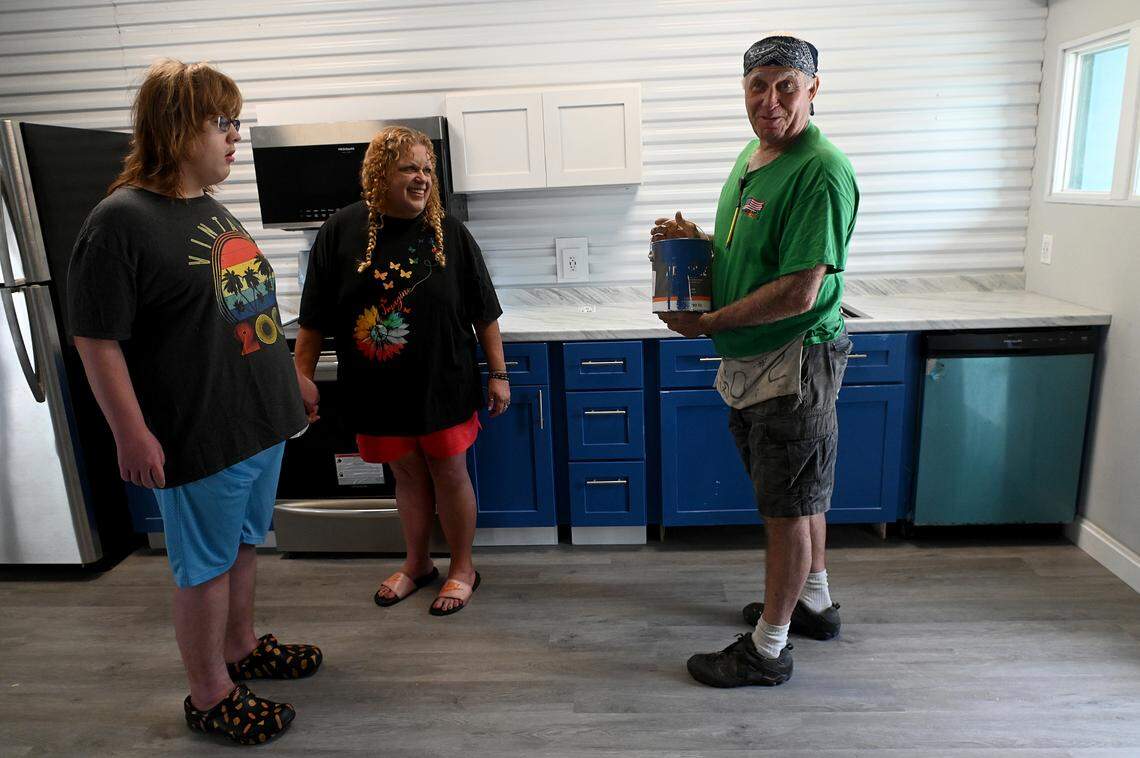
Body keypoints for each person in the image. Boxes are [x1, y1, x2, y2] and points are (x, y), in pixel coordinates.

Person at [67, 59, 321, 745]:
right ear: (179, 127)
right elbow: (96, 339)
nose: (235, 136)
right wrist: (130, 433)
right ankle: (210, 694)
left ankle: (240, 650)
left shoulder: (205, 206)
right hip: (199, 431)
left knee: (241, 547)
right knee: (204, 567)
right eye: (224, 122)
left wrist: (287, 377)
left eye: (236, 121)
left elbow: (240, 305)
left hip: (258, 421)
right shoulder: (120, 221)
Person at [653, 35, 858, 688]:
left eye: (787, 86)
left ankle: (769, 649)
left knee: (787, 509)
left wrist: (705, 323)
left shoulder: (819, 169)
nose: (770, 100)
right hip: (759, 361)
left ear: (814, 90)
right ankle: (813, 603)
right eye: (758, 84)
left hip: (792, 360)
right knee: (802, 494)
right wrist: (699, 245)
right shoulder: (757, 154)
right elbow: (762, 251)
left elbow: (801, 287)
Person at [294, 126, 507, 616]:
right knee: (406, 476)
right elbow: (313, 319)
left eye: (427, 169)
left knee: (449, 473)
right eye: (410, 168)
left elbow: (485, 312)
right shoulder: (339, 232)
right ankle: (417, 565)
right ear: (379, 174)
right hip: (377, 388)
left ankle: (462, 567)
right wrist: (301, 377)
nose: (422, 178)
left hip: (443, 381)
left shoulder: (448, 233)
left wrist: (499, 373)